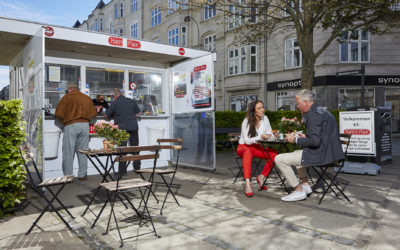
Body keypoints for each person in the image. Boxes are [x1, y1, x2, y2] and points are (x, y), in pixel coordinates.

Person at [275, 89, 344, 202]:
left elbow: (315, 142)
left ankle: (298, 190)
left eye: (298, 104)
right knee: (295, 154)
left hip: (322, 155)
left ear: (306, 102)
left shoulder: (314, 115)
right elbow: (320, 136)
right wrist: (306, 136)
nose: (297, 106)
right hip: (330, 153)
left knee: (279, 159)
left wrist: (295, 139)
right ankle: (305, 185)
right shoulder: (322, 111)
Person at [55, 82, 97, 181]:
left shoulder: (66, 98)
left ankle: (68, 176)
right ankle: (82, 175)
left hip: (71, 125)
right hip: (85, 125)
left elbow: (58, 113)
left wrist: (65, 119)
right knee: (83, 151)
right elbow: (93, 113)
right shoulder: (86, 98)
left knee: (68, 152)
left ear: (69, 89)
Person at [236, 100, 278, 197]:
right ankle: (247, 184)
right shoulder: (246, 121)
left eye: (263, 107)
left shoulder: (265, 119)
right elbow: (246, 140)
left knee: (274, 155)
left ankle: (261, 177)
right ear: (253, 111)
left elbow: (268, 136)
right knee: (247, 152)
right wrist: (260, 137)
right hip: (243, 147)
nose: (262, 110)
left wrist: (274, 136)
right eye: (259, 108)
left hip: (256, 147)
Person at [105, 88, 142, 175]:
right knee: (135, 148)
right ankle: (137, 168)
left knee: (122, 149)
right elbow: (139, 113)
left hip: (122, 128)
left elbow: (106, 115)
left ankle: (122, 171)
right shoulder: (131, 101)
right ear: (121, 94)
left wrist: (114, 115)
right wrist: (131, 115)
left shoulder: (115, 102)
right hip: (133, 127)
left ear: (114, 96)